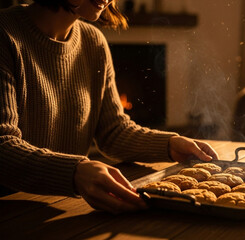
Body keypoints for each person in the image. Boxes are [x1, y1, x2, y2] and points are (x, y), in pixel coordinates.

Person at [0, 0, 219, 214]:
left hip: (65, 206)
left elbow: (113, 131)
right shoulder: (5, 34)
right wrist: (74, 173)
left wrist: (169, 144)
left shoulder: (93, 40)